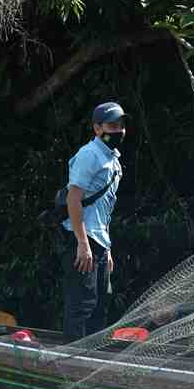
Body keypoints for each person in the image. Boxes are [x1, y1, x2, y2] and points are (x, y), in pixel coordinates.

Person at [61, 101, 125, 342]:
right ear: (97, 128)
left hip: (99, 241)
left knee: (100, 304)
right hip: (81, 238)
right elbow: (73, 198)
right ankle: (72, 359)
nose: (118, 130)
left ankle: (91, 359)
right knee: (82, 303)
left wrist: (106, 248)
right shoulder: (89, 155)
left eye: (120, 125)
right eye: (112, 125)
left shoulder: (114, 160)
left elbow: (104, 207)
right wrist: (82, 243)